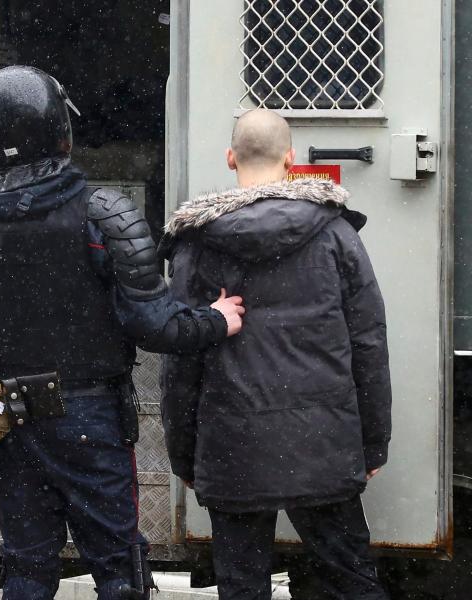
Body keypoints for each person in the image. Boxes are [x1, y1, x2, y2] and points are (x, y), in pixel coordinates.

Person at [0, 65, 245, 600]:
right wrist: (217, 319)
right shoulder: (103, 214)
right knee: (119, 569)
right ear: (60, 132)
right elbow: (154, 326)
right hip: (88, 417)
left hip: (6, 416)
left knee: (26, 566)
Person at [158, 109, 392, 600]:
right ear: (290, 159)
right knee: (351, 581)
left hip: (232, 444)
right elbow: (369, 341)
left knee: (242, 586)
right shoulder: (336, 235)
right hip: (323, 441)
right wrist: (372, 440)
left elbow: (180, 359)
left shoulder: (196, 244)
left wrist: (184, 451)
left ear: (230, 159)